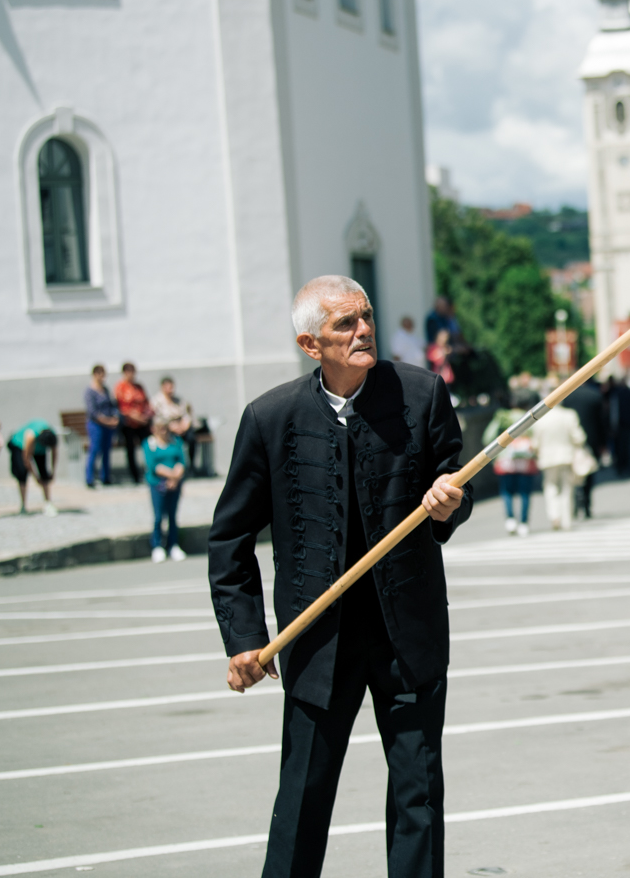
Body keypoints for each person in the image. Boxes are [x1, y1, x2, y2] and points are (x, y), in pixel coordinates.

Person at [208, 275, 470, 878]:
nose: (363, 331)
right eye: (345, 324)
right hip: (317, 642)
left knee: (418, 794)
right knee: (302, 796)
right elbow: (229, 538)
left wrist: (451, 499)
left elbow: (457, 473)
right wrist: (245, 637)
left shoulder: (421, 393)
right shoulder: (269, 418)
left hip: (409, 633)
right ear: (310, 344)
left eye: (366, 316)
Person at [483, 392, 538, 536]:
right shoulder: (530, 417)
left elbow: (488, 436)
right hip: (526, 458)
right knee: (525, 493)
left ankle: (510, 519)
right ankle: (524, 523)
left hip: (506, 458)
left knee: (507, 491)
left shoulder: (502, 417)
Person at [530, 399, 586, 531]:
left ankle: (554, 516)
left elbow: (535, 442)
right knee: (567, 488)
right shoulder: (569, 415)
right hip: (566, 456)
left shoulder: (541, 418)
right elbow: (579, 437)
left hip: (547, 458)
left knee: (550, 487)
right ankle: (566, 520)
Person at [143, 417, 188, 562]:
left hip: (174, 483)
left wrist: (175, 478)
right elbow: (153, 465)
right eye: (160, 428)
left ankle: (173, 544)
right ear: (154, 428)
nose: (163, 431)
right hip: (158, 484)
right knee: (158, 516)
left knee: (172, 515)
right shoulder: (150, 444)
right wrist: (170, 475)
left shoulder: (176, 441)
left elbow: (182, 461)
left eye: (165, 427)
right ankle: (157, 545)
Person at [564, 378, 607, 519]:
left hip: (571, 441)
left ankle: (576, 502)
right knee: (589, 472)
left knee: (573, 473)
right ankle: (587, 504)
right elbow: (602, 421)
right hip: (592, 439)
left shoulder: (567, 397)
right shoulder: (594, 395)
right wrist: (603, 442)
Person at [7, 419, 58, 516]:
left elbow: (54, 454)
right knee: (22, 474)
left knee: (44, 474)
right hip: (19, 446)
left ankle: (48, 503)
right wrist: (36, 477)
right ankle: (23, 505)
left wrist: (53, 472)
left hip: (38, 449)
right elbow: (27, 459)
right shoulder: (31, 436)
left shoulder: (52, 435)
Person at [115, 362, 153, 484]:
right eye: (129, 372)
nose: (132, 375)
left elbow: (146, 403)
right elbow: (122, 408)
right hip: (129, 424)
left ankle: (151, 471)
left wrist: (146, 416)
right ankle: (135, 476)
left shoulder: (138, 387)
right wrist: (136, 417)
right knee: (130, 449)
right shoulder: (120, 387)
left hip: (142, 423)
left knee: (149, 445)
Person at [151, 377, 199, 474]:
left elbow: (186, 415)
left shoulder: (179, 400)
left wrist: (184, 425)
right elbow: (158, 420)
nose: (170, 390)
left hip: (181, 428)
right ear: (162, 387)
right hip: (167, 429)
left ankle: (191, 467)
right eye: (168, 388)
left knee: (191, 438)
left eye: (172, 387)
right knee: (174, 441)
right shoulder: (156, 401)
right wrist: (171, 427)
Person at [84, 365, 119, 487]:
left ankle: (106, 477)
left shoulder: (105, 389)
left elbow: (111, 405)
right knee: (95, 450)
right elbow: (92, 412)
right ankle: (90, 478)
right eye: (100, 374)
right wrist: (106, 421)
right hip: (96, 425)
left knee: (106, 450)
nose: (102, 377)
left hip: (108, 425)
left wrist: (114, 417)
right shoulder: (90, 391)